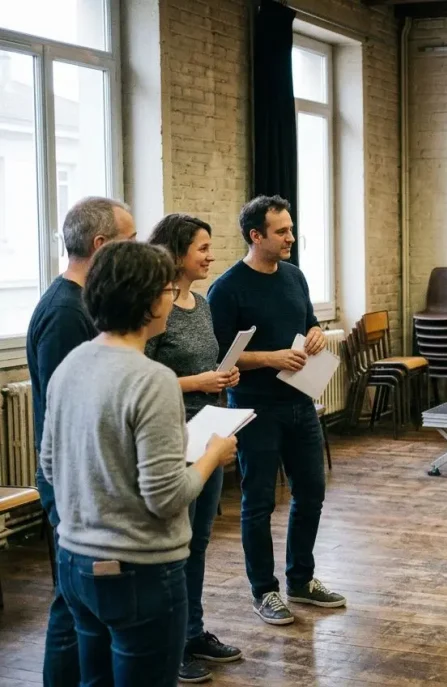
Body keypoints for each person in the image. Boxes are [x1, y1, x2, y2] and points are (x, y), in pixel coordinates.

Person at [38, 241, 237, 686]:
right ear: (149, 300)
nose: (172, 298)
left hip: (76, 564)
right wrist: (212, 456)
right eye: (167, 289)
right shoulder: (154, 380)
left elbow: (50, 468)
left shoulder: (71, 365)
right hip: (139, 573)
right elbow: (167, 498)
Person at [207, 195, 345, 625]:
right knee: (259, 502)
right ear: (256, 236)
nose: (290, 237)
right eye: (281, 231)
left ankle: (301, 580)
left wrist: (317, 334)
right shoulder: (227, 288)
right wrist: (271, 358)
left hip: (300, 403)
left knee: (312, 493)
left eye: (290, 228)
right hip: (255, 409)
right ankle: (264, 591)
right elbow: (221, 359)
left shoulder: (294, 276)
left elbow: (307, 323)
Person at [26, 196, 136, 687]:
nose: (135, 251)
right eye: (129, 242)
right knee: (71, 604)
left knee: (81, 602)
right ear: (101, 245)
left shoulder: (83, 304)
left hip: (84, 476)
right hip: (70, 479)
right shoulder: (65, 313)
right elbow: (67, 411)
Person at [147, 214, 243, 683]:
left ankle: (192, 631)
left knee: (198, 540)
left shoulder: (201, 305)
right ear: (177, 251)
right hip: (171, 435)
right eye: (202, 248)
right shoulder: (153, 308)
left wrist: (222, 375)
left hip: (209, 429)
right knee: (174, 544)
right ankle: (169, 644)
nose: (210, 256)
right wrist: (197, 380)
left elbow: (207, 365)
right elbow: (141, 376)